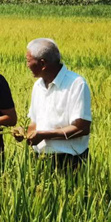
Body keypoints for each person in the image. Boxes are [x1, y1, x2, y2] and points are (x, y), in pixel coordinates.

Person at [16, 38, 92, 166]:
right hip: (40, 159)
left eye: (28, 61)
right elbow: (35, 123)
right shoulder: (38, 86)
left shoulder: (76, 84)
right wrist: (24, 133)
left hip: (70, 161)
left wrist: (44, 135)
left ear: (42, 64)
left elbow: (82, 128)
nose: (27, 65)